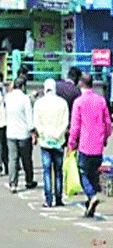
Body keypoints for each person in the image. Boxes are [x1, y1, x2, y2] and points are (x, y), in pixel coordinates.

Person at [68, 73, 112, 218]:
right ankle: (90, 205)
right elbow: (107, 123)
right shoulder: (101, 101)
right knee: (93, 174)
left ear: (81, 83)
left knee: (82, 173)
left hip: (84, 144)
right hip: (98, 144)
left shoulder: (79, 102)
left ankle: (92, 196)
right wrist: (105, 137)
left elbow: (75, 126)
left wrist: (71, 143)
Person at [33, 79, 69, 208]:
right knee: (58, 171)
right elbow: (65, 122)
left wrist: (44, 134)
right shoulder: (62, 103)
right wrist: (58, 134)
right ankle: (58, 198)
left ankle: (48, 199)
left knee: (47, 171)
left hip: (45, 142)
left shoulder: (39, 103)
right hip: (59, 141)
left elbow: (36, 122)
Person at [5, 77, 37, 193]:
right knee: (26, 159)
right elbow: (29, 117)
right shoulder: (25, 99)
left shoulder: (8, 97)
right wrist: (33, 132)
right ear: (23, 86)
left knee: (12, 159)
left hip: (11, 132)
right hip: (23, 133)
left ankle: (13, 183)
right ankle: (29, 180)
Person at [0, 82, 8, 176]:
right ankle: (5, 165)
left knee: (3, 145)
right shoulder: (3, 91)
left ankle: (5, 165)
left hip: (3, 121)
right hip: (3, 122)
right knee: (3, 145)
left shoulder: (3, 91)